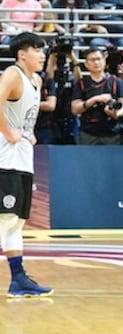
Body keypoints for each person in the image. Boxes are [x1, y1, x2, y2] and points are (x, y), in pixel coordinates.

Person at [0, 32, 52, 297]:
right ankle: (18, 278)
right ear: (22, 53)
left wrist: (26, 131)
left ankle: (18, 279)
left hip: (22, 157)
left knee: (16, 221)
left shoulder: (36, 79)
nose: (42, 54)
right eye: (37, 50)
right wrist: (8, 131)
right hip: (4, 158)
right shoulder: (12, 74)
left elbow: (26, 116)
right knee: (5, 220)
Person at [70, 47, 123, 145]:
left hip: (112, 132)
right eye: (92, 60)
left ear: (104, 61)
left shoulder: (115, 81)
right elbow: (75, 109)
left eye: (99, 59)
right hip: (88, 132)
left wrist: (115, 114)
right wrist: (96, 99)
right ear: (86, 64)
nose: (96, 63)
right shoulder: (81, 83)